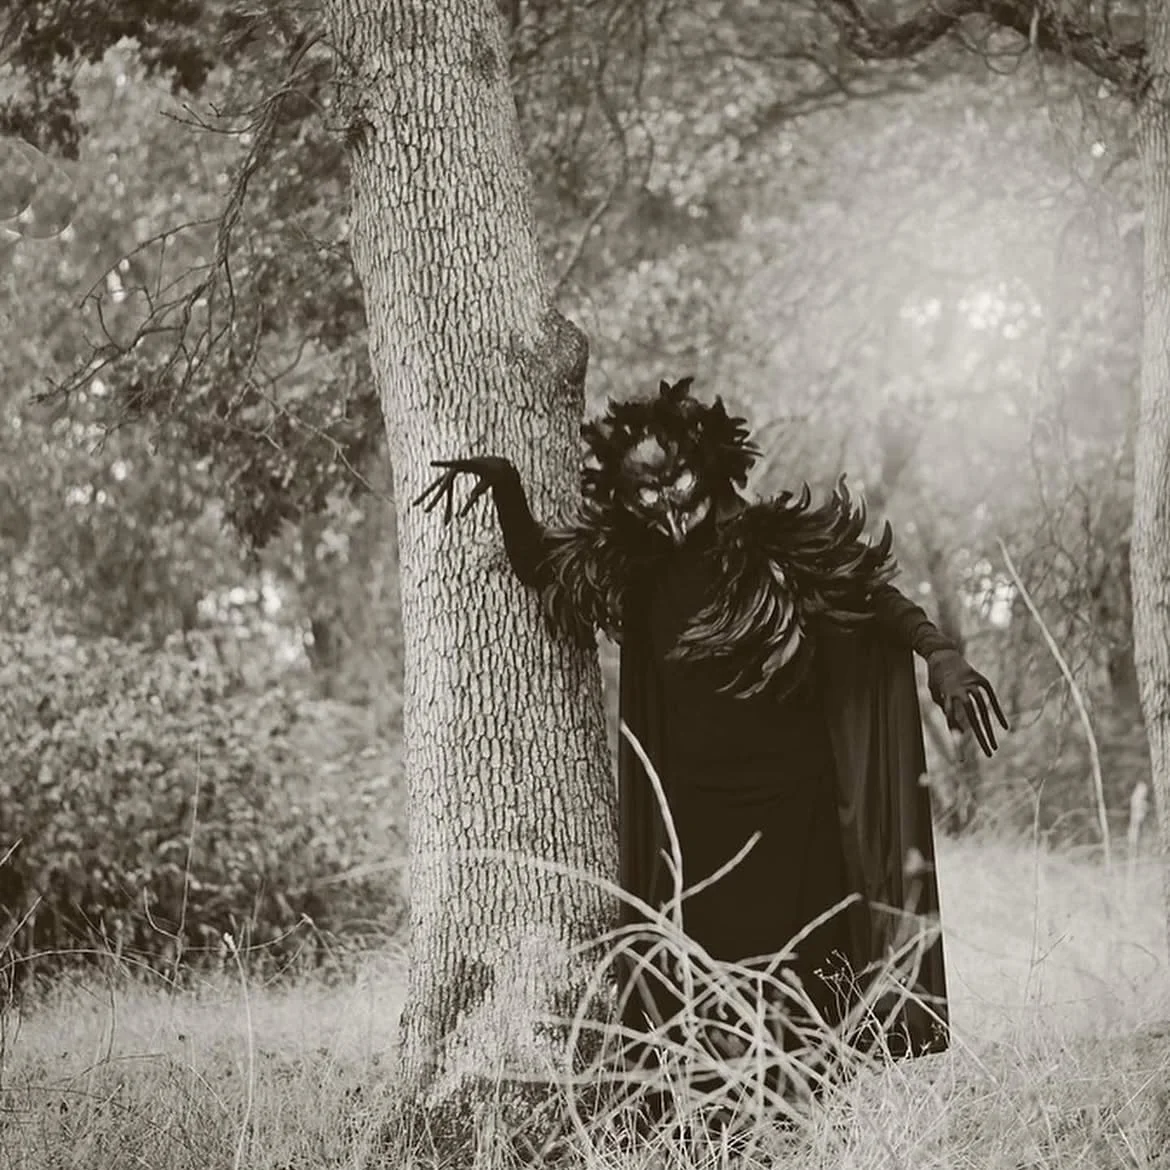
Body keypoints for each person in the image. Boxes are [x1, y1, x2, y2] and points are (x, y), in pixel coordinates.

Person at [414, 376, 1006, 1091]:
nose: (666, 502)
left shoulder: (775, 543)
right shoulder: (634, 567)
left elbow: (873, 596)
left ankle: (810, 1128)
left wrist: (939, 654)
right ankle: (718, 1130)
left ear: (709, 464)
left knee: (803, 987)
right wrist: (508, 487)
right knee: (705, 990)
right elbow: (545, 566)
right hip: (695, 821)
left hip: (795, 812)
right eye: (644, 491)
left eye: (677, 479)